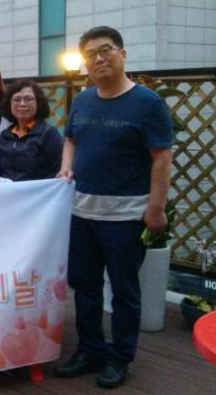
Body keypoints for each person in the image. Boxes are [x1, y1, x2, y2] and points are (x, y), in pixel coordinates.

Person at [54, 26, 173, 389]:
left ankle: (120, 356)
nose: (98, 58)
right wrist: (66, 165)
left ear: (123, 54)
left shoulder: (148, 103)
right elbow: (71, 139)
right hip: (81, 213)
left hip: (126, 217)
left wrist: (156, 209)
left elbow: (162, 157)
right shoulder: (83, 100)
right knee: (85, 286)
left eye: (106, 50)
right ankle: (90, 349)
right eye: (91, 54)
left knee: (124, 291)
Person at [0, 80, 63, 181]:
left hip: (39, 190)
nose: (22, 104)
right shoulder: (5, 135)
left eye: (28, 99)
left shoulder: (48, 133)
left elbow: (58, 170)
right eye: (17, 99)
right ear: (9, 104)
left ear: (38, 103)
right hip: (8, 190)